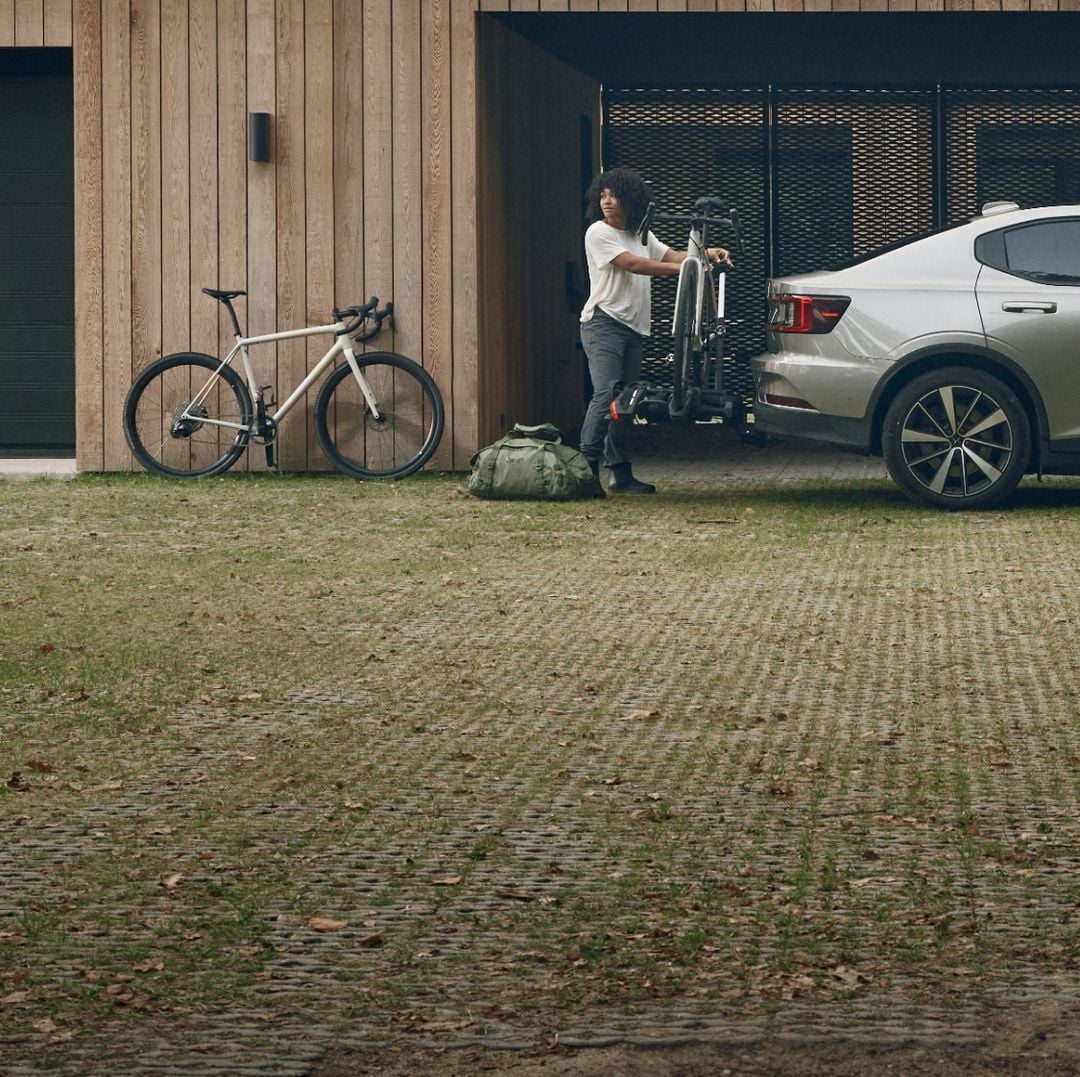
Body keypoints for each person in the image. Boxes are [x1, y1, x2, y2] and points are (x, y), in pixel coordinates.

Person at [579, 167, 731, 494]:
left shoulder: (641, 234)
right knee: (606, 393)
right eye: (602, 195)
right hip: (604, 323)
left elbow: (674, 254)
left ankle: (620, 474)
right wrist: (686, 268)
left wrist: (707, 254)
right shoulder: (598, 232)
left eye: (614, 195)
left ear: (630, 199)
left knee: (625, 401)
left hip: (633, 327)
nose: (607, 201)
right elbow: (634, 264)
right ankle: (585, 471)